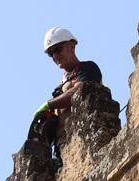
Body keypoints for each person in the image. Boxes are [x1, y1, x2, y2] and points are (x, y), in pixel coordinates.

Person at [28, 27, 103, 159]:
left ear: (71, 46)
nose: (55, 56)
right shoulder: (59, 88)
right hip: (64, 149)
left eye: (57, 49)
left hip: (87, 140)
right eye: (51, 54)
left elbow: (79, 91)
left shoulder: (88, 68)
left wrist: (49, 105)